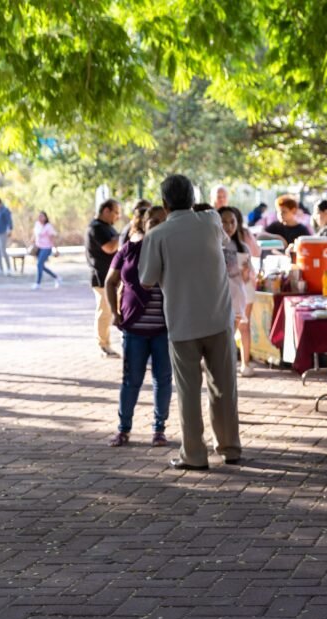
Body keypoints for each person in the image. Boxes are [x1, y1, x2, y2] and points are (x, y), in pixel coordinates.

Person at [139, 174, 241, 471]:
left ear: (164, 204)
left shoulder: (157, 235)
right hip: (218, 317)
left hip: (182, 321)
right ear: (193, 199)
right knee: (224, 387)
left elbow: (146, 280)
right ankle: (230, 447)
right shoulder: (210, 221)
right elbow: (223, 240)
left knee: (188, 392)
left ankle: (194, 455)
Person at [105, 205, 172, 448]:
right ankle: (123, 429)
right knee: (131, 380)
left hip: (164, 329)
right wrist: (114, 312)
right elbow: (110, 282)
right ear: (144, 223)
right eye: (153, 221)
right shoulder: (128, 250)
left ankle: (159, 429)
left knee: (162, 380)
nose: (157, 225)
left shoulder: (173, 252)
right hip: (134, 328)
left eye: (163, 221)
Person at [219, 206, 256, 378]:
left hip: (237, 297)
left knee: (235, 332)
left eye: (232, 222)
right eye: (224, 222)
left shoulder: (242, 247)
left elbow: (246, 278)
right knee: (222, 335)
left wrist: (246, 272)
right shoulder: (213, 245)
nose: (229, 226)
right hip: (218, 298)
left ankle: (240, 365)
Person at [87, 199, 122, 358]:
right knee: (105, 312)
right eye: (116, 212)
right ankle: (103, 345)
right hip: (101, 277)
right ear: (106, 211)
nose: (118, 217)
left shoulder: (107, 227)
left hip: (110, 277)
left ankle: (107, 343)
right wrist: (122, 237)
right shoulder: (96, 228)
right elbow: (109, 248)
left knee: (110, 311)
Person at [31, 212, 61, 290]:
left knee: (39, 264)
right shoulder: (37, 224)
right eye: (39, 216)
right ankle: (56, 277)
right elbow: (35, 234)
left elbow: (52, 238)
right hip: (38, 248)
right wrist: (32, 241)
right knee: (41, 266)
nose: (40, 218)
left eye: (42, 216)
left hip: (46, 248)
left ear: (45, 217)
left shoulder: (48, 227)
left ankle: (38, 283)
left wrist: (56, 249)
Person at [0, 197, 12, 276]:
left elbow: (9, 221)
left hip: (3, 233)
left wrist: (10, 229)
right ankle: (0, 269)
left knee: (3, 250)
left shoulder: (5, 210)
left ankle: (9, 268)